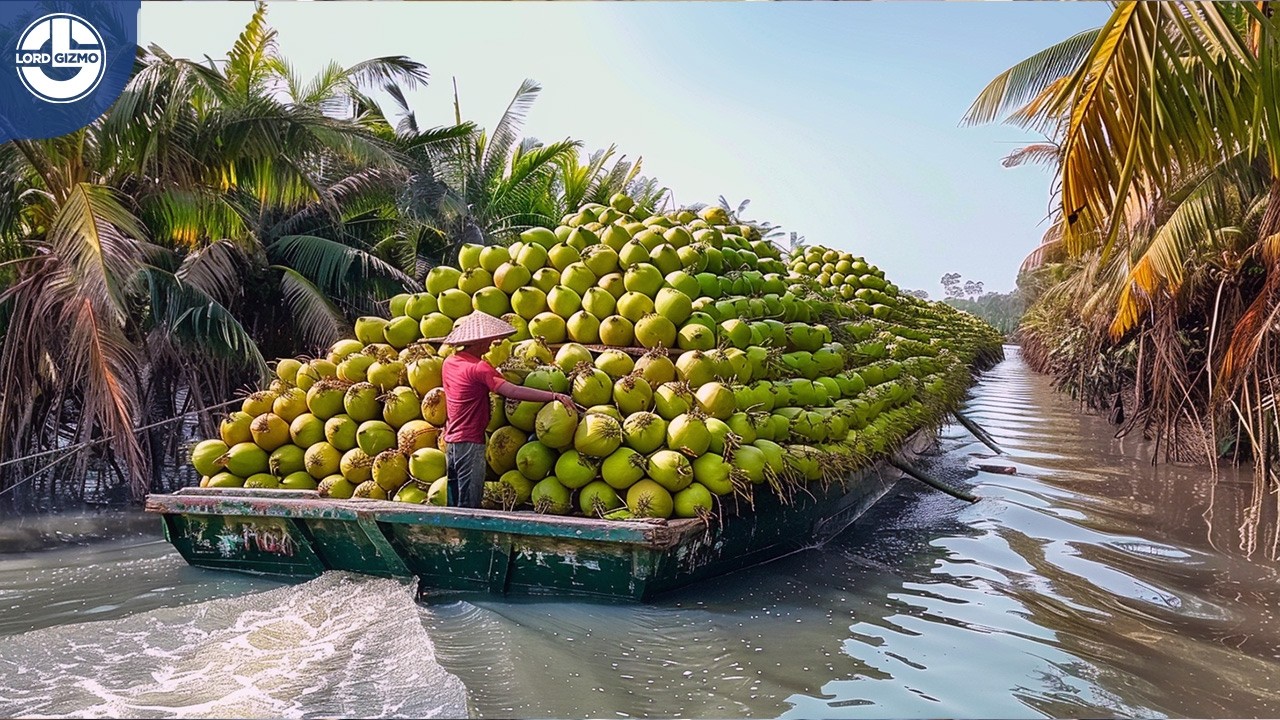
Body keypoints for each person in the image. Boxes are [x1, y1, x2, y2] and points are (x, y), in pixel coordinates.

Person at [432, 311, 577, 508]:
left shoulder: (449, 362)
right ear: (479, 342)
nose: (493, 344)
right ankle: (469, 538)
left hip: (451, 440)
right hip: (470, 441)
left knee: (455, 498)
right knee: (469, 504)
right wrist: (553, 396)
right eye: (490, 341)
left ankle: (451, 537)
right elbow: (512, 391)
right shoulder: (480, 368)